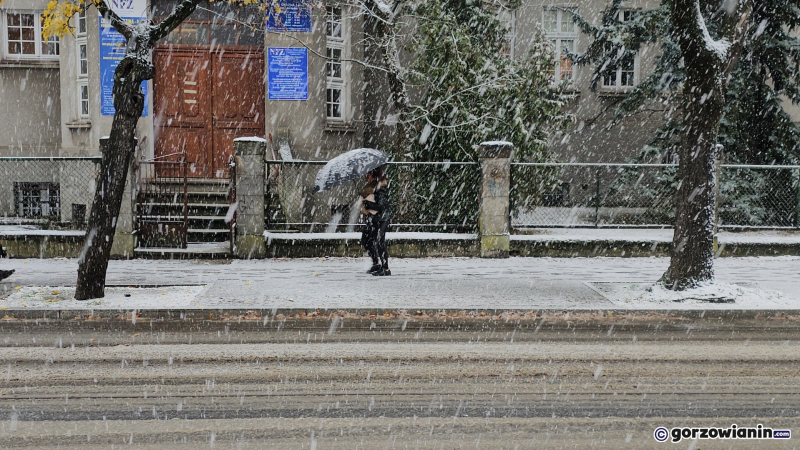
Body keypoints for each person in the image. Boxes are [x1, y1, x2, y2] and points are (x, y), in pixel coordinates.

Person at [361, 166, 392, 276]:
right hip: (373, 218)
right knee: (366, 240)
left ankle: (386, 268)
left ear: (374, 177)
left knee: (379, 241)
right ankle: (376, 263)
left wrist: (367, 204)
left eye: (368, 176)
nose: (367, 179)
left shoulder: (381, 188)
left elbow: (381, 206)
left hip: (382, 218)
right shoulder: (371, 188)